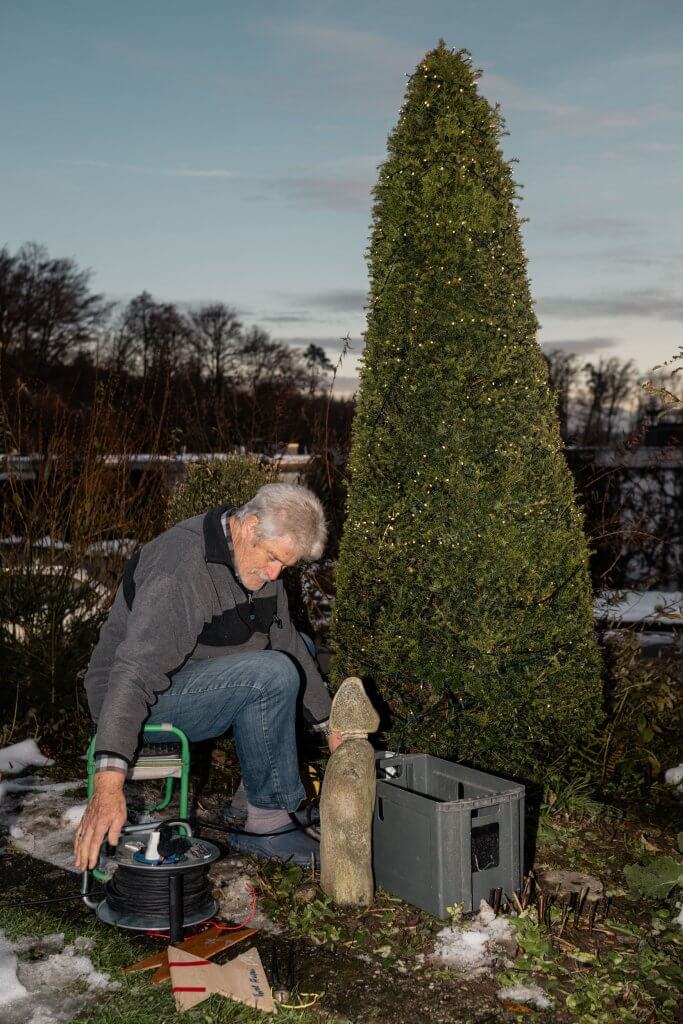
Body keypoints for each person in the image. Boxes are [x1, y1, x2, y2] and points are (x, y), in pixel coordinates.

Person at [74, 483, 341, 871]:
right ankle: (269, 824)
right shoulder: (180, 572)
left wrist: (331, 723)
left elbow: (286, 640)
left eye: (284, 565)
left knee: (298, 647)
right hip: (135, 698)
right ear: (249, 527)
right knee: (271, 673)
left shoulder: (259, 559)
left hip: (188, 673)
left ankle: (249, 803)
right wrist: (109, 782)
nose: (273, 574)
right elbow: (133, 674)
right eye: (272, 560)